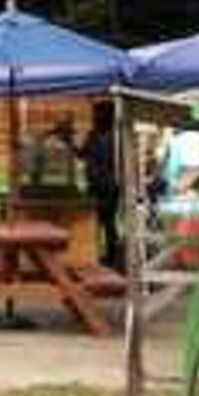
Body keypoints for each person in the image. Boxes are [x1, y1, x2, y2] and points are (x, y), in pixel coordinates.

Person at [66, 101, 122, 271]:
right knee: (97, 222)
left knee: (107, 222)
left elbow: (87, 156)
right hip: (96, 184)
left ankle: (111, 257)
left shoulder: (114, 136)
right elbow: (82, 154)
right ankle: (97, 255)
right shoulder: (95, 134)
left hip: (109, 186)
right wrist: (69, 142)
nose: (95, 118)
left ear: (108, 116)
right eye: (95, 114)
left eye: (98, 114)